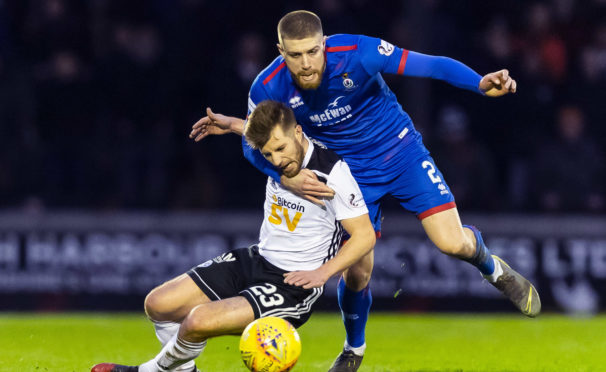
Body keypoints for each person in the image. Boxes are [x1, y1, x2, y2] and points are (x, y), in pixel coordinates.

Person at [189, 10, 541, 372]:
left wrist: (479, 82)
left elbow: (429, 65)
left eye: (313, 51)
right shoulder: (268, 86)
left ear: (324, 44)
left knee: (451, 243)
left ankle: (492, 268)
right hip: (348, 174)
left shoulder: (358, 52)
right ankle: (353, 349)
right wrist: (285, 178)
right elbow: (255, 141)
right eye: (295, 55)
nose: (306, 63)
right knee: (356, 271)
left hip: (401, 152)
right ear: (280, 51)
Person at [91, 100, 376, 372]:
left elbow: (364, 237)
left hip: (292, 284)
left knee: (196, 321)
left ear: (298, 131)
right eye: (267, 154)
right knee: (158, 304)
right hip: (257, 259)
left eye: (280, 148)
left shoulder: (333, 173)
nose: (276, 160)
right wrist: (231, 125)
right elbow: (259, 133)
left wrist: (323, 273)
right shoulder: (278, 154)